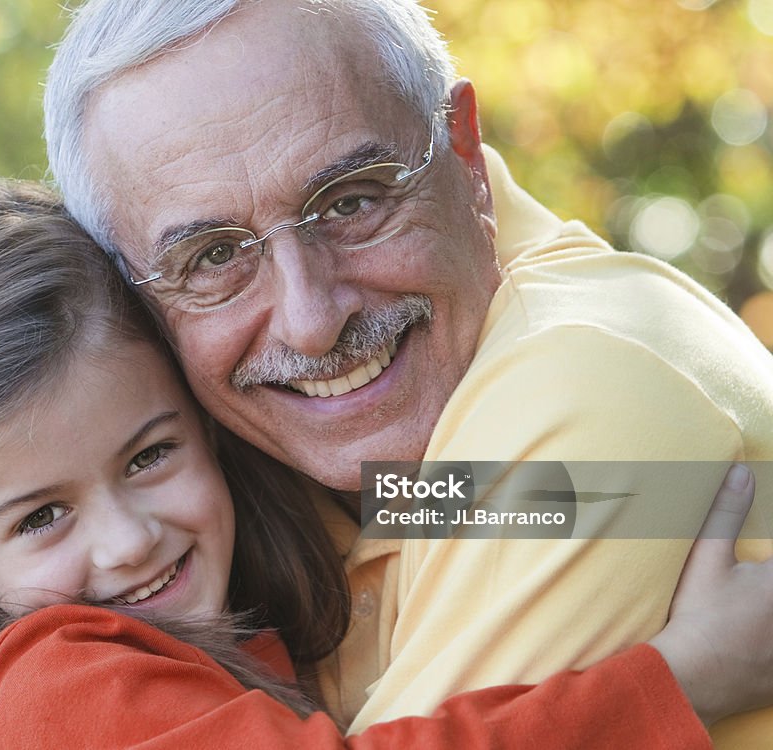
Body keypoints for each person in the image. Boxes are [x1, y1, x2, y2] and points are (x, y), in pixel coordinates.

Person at [42, 1, 773, 744]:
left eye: (351, 201)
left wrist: (680, 680)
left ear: (463, 150)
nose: (311, 319)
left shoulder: (590, 392)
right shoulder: (332, 481)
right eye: (216, 257)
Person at [0, 179, 769, 750]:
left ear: (202, 411)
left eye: (151, 456)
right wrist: (685, 679)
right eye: (41, 517)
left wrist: (665, 493)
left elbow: (458, 503)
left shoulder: (265, 544)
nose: (127, 541)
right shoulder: (58, 682)